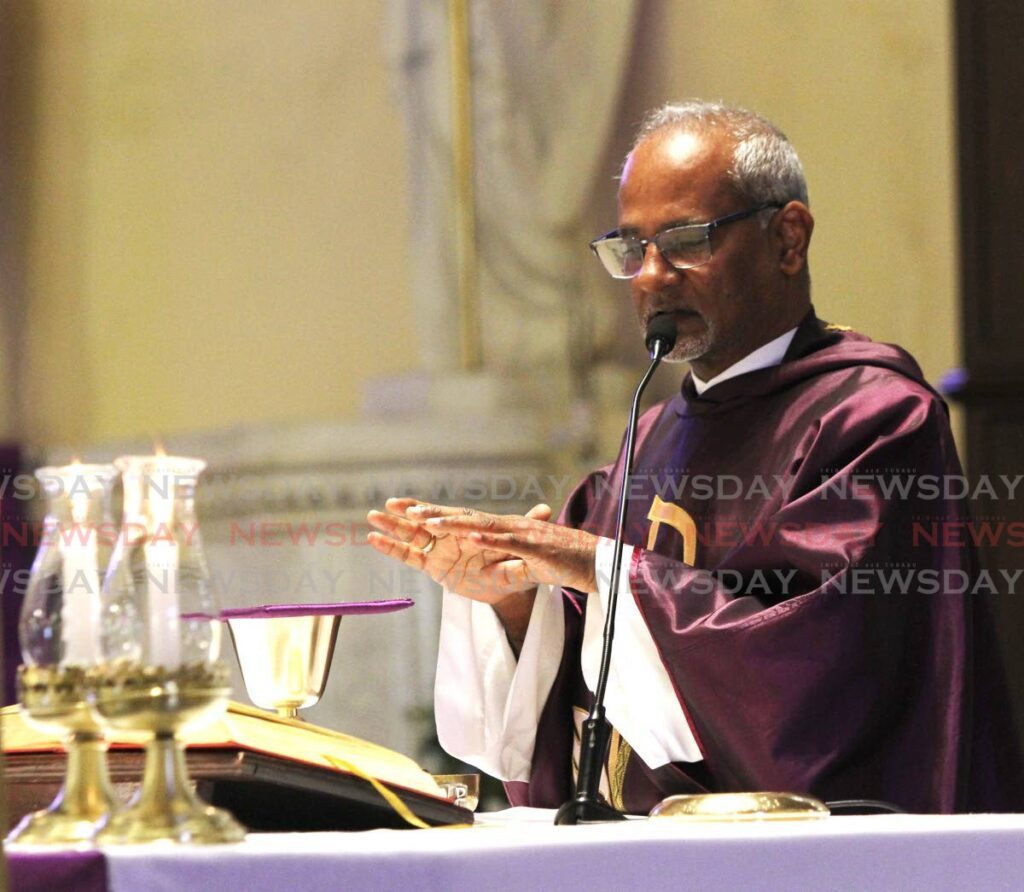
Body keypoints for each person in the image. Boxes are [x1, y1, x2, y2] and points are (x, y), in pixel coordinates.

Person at [367, 100, 1022, 814]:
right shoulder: (650, 440)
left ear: (788, 238)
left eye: (685, 240)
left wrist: (592, 564)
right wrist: (517, 603)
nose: (651, 276)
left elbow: (815, 679)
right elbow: (592, 704)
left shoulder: (873, 419)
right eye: (631, 247)